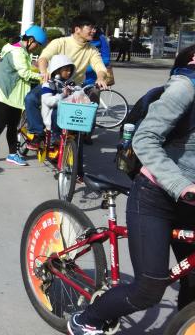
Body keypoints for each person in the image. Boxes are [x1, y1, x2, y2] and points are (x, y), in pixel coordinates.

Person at [68, 44, 195, 335]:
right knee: (149, 288)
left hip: (189, 201)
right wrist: (181, 185)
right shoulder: (185, 89)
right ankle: (86, 319)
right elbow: (146, 139)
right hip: (156, 196)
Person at [24, 16, 108, 147]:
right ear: (77, 29)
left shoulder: (92, 50)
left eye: (94, 28)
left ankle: (63, 135)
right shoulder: (60, 42)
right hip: (52, 83)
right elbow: (44, 58)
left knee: (64, 110)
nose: (94, 31)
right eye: (90, 28)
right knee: (30, 99)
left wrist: (101, 77)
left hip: (72, 87)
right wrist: (44, 71)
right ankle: (37, 133)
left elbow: (100, 67)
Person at [0, 26, 46, 167]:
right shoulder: (17, 51)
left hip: (15, 95)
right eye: (37, 44)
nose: (37, 48)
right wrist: (43, 77)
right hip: (4, 93)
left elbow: (24, 69)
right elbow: (24, 73)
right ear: (30, 40)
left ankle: (12, 154)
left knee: (12, 127)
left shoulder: (23, 51)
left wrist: (37, 70)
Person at [40, 54, 75, 144]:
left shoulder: (69, 84)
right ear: (57, 71)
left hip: (66, 119)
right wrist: (63, 95)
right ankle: (54, 136)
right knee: (58, 110)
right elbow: (49, 101)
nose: (69, 72)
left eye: (70, 70)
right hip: (51, 118)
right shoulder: (48, 84)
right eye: (66, 70)